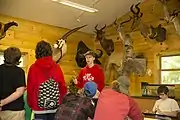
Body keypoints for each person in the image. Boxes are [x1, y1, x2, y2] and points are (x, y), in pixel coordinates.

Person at [27, 40, 67, 120]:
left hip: (38, 108)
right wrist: (60, 101)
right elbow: (62, 87)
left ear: (37, 52)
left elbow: (30, 89)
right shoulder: (56, 67)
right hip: (54, 107)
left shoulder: (33, 68)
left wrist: (31, 104)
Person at [0, 47, 26, 120]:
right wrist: (3, 102)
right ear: (18, 58)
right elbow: (20, 91)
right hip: (16, 111)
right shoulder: (19, 72)